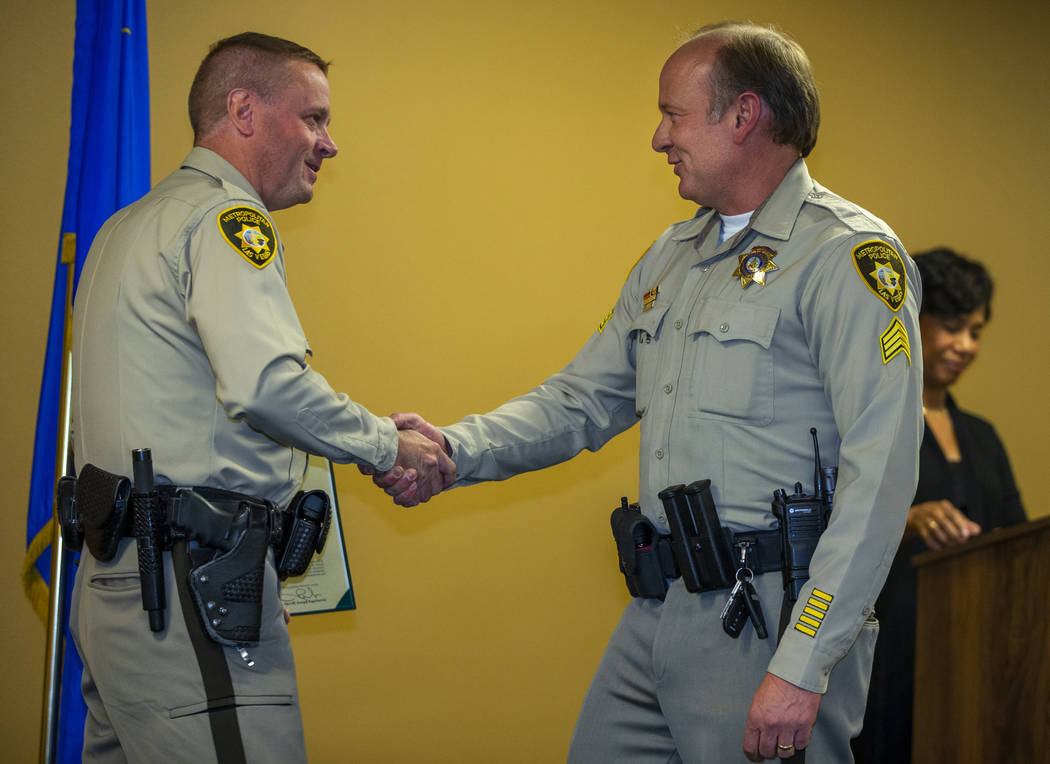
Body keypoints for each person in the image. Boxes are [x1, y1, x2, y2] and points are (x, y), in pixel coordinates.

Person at [376, 21, 923, 762]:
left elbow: (881, 474)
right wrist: (455, 448)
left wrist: (805, 657)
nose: (658, 138)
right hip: (658, 606)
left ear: (744, 115)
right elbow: (583, 399)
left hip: (766, 615)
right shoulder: (672, 256)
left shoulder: (844, 257)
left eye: (673, 114)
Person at [69, 32, 454, 763]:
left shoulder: (125, 229)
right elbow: (266, 386)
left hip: (120, 586)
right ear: (244, 110)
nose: (328, 143)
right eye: (313, 118)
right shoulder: (226, 221)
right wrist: (387, 443)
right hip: (191, 587)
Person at [852, 248, 1026, 763]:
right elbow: (831, 531)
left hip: (976, 660)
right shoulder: (870, 422)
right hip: (888, 655)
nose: (965, 345)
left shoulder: (983, 437)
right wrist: (907, 523)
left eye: (975, 331)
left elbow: (1017, 537)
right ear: (913, 319)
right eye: (952, 326)